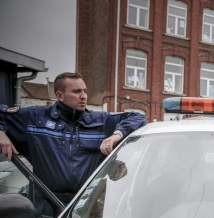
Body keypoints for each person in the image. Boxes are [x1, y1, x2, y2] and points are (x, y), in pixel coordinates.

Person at [0, 72, 146, 209]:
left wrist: (117, 134)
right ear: (60, 95)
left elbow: (138, 117)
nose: (83, 96)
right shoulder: (36, 118)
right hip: (46, 205)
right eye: (77, 92)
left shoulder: (100, 121)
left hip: (87, 208)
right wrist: (1, 132)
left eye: (85, 91)